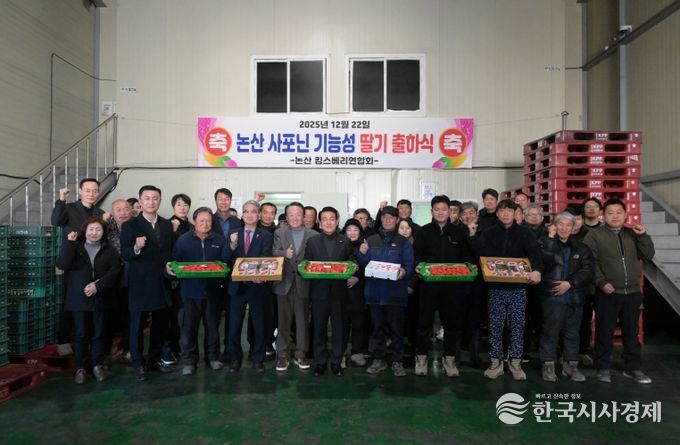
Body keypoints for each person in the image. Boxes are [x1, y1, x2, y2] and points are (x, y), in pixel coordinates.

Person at [467, 199, 543, 380]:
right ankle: (496, 362)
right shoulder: (489, 232)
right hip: (495, 288)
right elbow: (481, 254)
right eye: (502, 210)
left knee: (517, 325)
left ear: (516, 213)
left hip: (518, 288)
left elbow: (535, 254)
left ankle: (515, 362)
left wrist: (537, 271)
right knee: (496, 326)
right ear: (497, 213)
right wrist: (472, 236)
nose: (505, 214)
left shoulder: (525, 233)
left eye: (509, 210)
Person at [583, 198, 655, 384]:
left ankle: (633, 368)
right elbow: (589, 262)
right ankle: (603, 367)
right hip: (607, 292)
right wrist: (601, 282)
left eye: (618, 213)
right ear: (603, 215)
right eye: (610, 213)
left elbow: (648, 255)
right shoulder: (594, 235)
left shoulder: (633, 233)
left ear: (625, 215)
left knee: (631, 333)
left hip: (632, 292)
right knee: (604, 331)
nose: (614, 216)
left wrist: (643, 236)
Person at [413, 195, 473, 378]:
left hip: (453, 288)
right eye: (437, 209)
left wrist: (470, 267)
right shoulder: (423, 232)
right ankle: (421, 358)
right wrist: (417, 266)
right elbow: (417, 256)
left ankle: (449, 360)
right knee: (423, 323)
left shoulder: (459, 233)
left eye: (444, 209)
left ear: (450, 212)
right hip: (428, 286)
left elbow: (467, 256)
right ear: (431, 211)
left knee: (452, 324)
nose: (440, 212)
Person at [120, 185, 175, 381]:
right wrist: (136, 247)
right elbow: (125, 253)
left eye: (155, 198)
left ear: (160, 201)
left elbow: (170, 251)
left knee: (160, 325)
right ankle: (138, 363)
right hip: (140, 283)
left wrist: (171, 269)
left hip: (162, 281)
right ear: (140, 201)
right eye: (147, 198)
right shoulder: (130, 225)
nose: (151, 202)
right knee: (137, 325)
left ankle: (154, 360)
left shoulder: (166, 224)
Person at [57, 218, 121, 384]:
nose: (94, 233)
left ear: (103, 232)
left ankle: (97, 365)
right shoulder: (76, 247)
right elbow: (62, 263)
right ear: (85, 231)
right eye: (91, 229)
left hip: (101, 297)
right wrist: (70, 243)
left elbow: (115, 271)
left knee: (99, 333)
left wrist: (98, 286)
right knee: (80, 333)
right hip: (79, 298)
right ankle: (80, 368)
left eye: (98, 229)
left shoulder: (109, 250)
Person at [167, 207, 229, 376]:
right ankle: (189, 361)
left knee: (213, 327)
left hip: (213, 292)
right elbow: (175, 261)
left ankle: (213, 357)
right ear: (194, 222)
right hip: (189, 292)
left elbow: (225, 261)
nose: (205, 224)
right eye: (201, 220)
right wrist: (171, 269)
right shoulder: (183, 240)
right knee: (188, 328)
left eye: (208, 221)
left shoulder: (219, 240)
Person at [52, 178, 108, 357]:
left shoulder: (100, 213)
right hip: (74, 260)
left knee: (92, 300)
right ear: (80, 191)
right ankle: (64, 340)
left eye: (95, 191)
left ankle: (88, 341)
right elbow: (56, 221)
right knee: (71, 301)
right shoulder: (69, 208)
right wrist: (61, 199)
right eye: (88, 190)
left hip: (95, 261)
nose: (91, 194)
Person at [358, 205, 415, 377]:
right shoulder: (371, 240)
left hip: (395, 294)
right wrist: (362, 254)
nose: (387, 220)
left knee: (396, 330)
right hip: (374, 294)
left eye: (391, 217)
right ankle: (379, 359)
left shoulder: (404, 242)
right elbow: (362, 266)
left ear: (397, 220)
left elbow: (409, 267)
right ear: (380, 219)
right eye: (384, 217)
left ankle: (397, 361)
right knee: (377, 329)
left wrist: (404, 272)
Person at [538, 212, 594, 382]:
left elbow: (588, 270)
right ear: (554, 226)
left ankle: (571, 365)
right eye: (560, 224)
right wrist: (549, 239)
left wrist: (570, 283)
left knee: (572, 333)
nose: (564, 228)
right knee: (550, 332)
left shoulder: (581, 248)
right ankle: (548, 364)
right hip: (552, 297)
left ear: (573, 227)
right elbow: (542, 262)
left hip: (574, 298)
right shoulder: (544, 243)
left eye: (568, 225)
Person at [304, 206, 355, 376]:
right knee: (318, 329)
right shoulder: (312, 242)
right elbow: (306, 263)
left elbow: (351, 260)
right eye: (324, 219)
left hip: (339, 293)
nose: (328, 222)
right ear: (319, 222)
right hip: (319, 293)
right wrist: (303, 267)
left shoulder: (345, 241)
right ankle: (320, 362)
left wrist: (354, 266)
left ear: (337, 220)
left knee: (339, 330)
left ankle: (336, 362)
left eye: (332, 218)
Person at [226, 200, 274, 374]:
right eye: (246, 211)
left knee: (259, 325)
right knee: (234, 325)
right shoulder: (234, 234)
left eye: (253, 211)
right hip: (236, 287)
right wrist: (232, 245)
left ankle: (258, 359)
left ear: (259, 215)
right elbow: (226, 258)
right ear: (242, 214)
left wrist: (261, 275)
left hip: (257, 286)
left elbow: (266, 258)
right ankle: (235, 359)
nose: (250, 215)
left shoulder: (265, 235)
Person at [272, 202, 318, 372]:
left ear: (304, 216)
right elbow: (274, 252)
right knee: (283, 321)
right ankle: (282, 355)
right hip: (283, 283)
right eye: (291, 214)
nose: (295, 217)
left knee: (302, 321)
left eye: (298, 214)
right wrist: (284, 254)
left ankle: (301, 353)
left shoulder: (313, 235)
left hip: (303, 283)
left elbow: (316, 258)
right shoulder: (279, 233)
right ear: (286, 217)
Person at [162, 193, 193, 367]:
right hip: (171, 277)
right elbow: (164, 250)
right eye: (179, 204)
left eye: (185, 204)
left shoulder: (192, 226)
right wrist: (172, 232)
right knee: (171, 316)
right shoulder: (166, 225)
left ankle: (179, 347)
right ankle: (167, 349)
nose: (182, 207)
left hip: (188, 278)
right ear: (173, 207)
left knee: (184, 316)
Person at [211, 188, 242, 358]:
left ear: (231, 200)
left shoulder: (238, 222)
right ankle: (213, 352)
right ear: (215, 200)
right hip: (213, 273)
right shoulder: (208, 219)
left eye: (226, 199)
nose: (223, 202)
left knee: (232, 315)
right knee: (213, 316)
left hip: (233, 274)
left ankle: (229, 350)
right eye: (220, 199)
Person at [341, 218, 370, 367]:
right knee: (341, 325)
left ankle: (357, 352)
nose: (352, 233)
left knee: (359, 324)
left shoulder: (365, 246)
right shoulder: (339, 245)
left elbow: (370, 268)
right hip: (342, 292)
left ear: (360, 232)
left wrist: (358, 278)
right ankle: (341, 353)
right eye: (349, 230)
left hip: (359, 293)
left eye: (355, 230)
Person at [106, 199, 133, 362]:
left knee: (129, 315)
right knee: (109, 315)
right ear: (112, 213)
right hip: (110, 279)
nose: (123, 213)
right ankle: (107, 350)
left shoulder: (137, 227)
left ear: (131, 211)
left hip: (131, 279)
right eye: (118, 210)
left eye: (126, 209)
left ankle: (129, 348)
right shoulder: (105, 228)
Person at [398, 218, 420, 357]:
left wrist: (411, 284)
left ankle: (413, 345)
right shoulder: (394, 243)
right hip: (396, 286)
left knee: (412, 318)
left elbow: (418, 266)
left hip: (413, 287)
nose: (405, 231)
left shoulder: (416, 244)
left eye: (407, 228)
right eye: (401, 228)